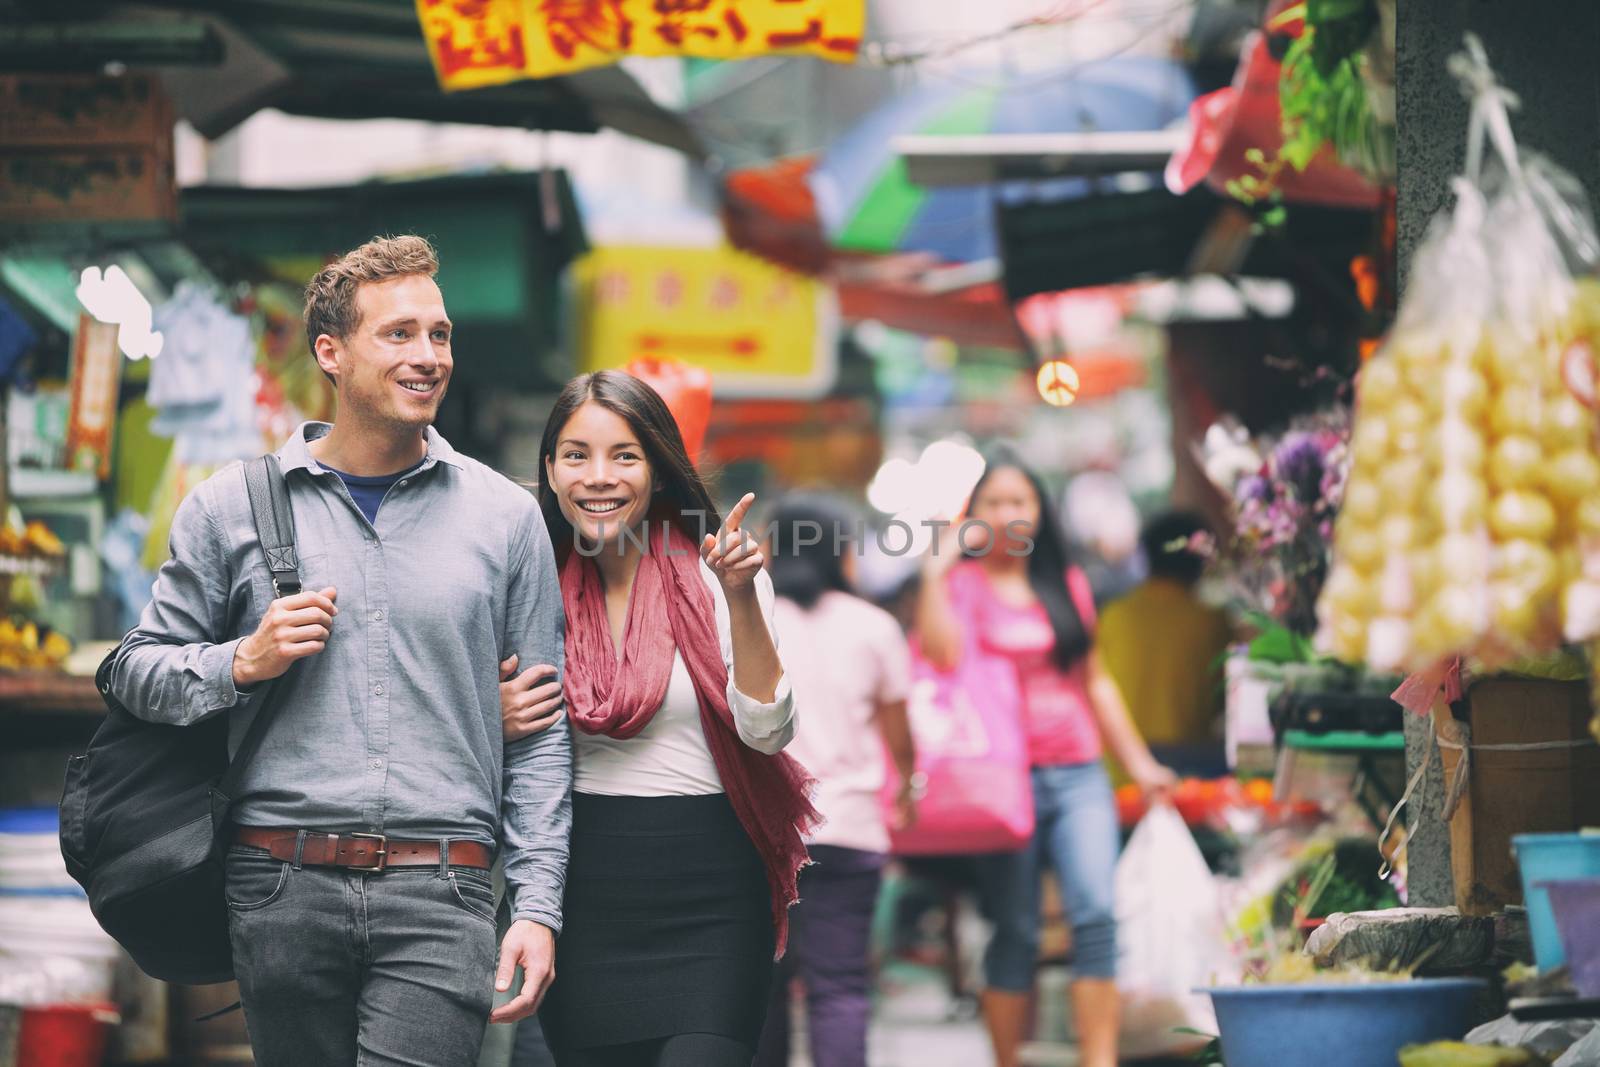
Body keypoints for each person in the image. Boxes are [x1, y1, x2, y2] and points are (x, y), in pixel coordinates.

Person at [108, 235, 571, 1066]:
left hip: (446, 886)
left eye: (440, 334)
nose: (428, 355)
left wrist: (535, 905)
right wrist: (241, 660)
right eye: (398, 334)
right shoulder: (230, 507)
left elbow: (539, 737)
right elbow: (135, 669)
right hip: (280, 882)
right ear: (331, 351)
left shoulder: (506, 517)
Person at [499, 370, 816, 1067]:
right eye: (576, 454)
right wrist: (491, 717)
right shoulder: (527, 584)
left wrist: (738, 596)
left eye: (625, 455)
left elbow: (767, 730)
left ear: (659, 469)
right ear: (549, 470)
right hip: (580, 892)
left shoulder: (716, 575)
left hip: (712, 896)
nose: (599, 476)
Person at [914, 448, 1176, 1067]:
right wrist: (934, 572)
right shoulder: (962, 585)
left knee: (1095, 914)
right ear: (972, 514)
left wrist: (1140, 766)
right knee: (1018, 928)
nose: (1008, 514)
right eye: (994, 503)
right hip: (1001, 781)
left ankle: (1100, 1059)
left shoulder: (1069, 583)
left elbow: (1096, 679)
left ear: (1040, 511)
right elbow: (940, 656)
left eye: (1020, 502)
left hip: (1079, 771)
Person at [753, 495, 918, 1067]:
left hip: (761, 834)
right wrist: (909, 786)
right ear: (842, 553)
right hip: (849, 829)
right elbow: (901, 736)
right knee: (840, 987)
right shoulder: (875, 627)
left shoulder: (749, 615)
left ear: (772, 546)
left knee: (764, 990)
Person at [1098, 511, 1234, 779]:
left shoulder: (1113, 615)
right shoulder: (1211, 621)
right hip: (1189, 769)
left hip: (1120, 763)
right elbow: (1224, 696)